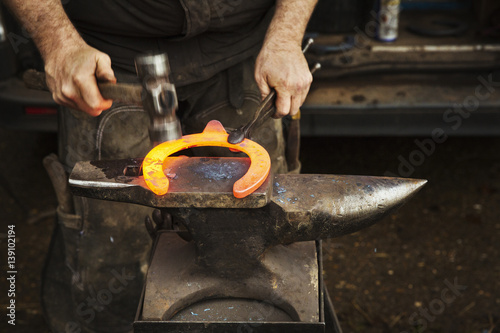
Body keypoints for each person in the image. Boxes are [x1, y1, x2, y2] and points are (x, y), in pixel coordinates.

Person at [4, 1, 317, 332]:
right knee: (111, 256)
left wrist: (285, 36)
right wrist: (59, 42)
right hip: (109, 64)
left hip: (245, 56)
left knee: (267, 237)